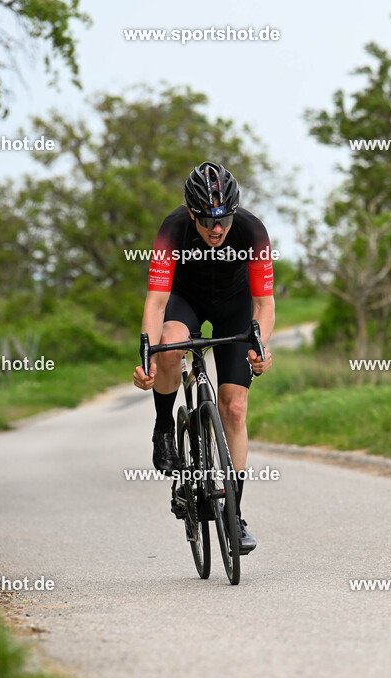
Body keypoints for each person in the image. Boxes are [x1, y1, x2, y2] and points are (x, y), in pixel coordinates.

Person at [132, 161, 273, 554]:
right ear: (191, 213)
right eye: (208, 221)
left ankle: (235, 515)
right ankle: (164, 427)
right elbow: (156, 301)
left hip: (235, 304)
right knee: (171, 346)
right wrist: (148, 354)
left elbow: (264, 303)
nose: (217, 229)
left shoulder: (251, 231)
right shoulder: (172, 230)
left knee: (235, 407)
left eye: (224, 220)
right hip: (186, 300)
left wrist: (261, 347)